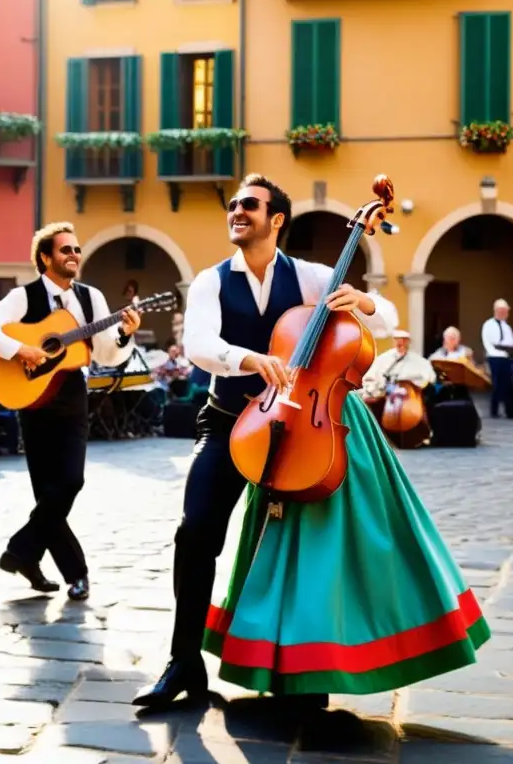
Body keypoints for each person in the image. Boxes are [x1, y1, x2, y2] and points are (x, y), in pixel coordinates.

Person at [133, 174, 488, 710]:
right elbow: (201, 344)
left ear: (276, 219)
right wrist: (248, 360)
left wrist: (363, 304)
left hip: (301, 424)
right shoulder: (212, 280)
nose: (237, 212)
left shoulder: (310, 277)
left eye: (249, 205)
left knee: (307, 547)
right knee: (196, 530)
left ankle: (306, 667)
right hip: (231, 420)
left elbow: (388, 322)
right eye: (233, 205)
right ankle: (183, 662)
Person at [0, 221, 140, 602]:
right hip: (31, 396)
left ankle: (22, 551)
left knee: (70, 482)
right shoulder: (22, 296)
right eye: (66, 250)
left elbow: (107, 354)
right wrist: (21, 350)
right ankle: (72, 573)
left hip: (73, 393)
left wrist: (125, 334)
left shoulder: (91, 298)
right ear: (45, 258)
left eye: (77, 250)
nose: (74, 255)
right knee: (48, 492)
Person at [481, 299, 513, 419]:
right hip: (495, 358)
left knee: (509, 385)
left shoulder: (506, 326)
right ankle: (494, 411)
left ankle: (509, 410)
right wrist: (512, 346)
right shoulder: (489, 325)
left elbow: (509, 341)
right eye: (503, 311)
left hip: (507, 358)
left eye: (506, 311)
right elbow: (495, 343)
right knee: (497, 385)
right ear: (496, 311)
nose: (505, 313)